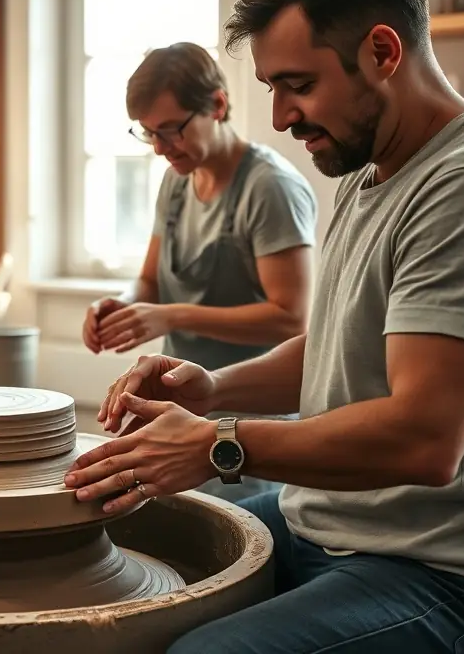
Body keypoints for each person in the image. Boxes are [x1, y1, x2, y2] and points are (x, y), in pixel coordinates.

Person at [64, 0, 464, 653]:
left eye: (297, 85)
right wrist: (209, 389)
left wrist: (221, 444)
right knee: (126, 564)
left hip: (443, 571)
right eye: (273, 87)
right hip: (335, 521)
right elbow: (334, 343)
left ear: (383, 52)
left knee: (196, 650)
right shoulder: (374, 173)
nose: (278, 117)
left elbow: (428, 436)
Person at [81, 42, 317, 503]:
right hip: (179, 414)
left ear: (218, 105)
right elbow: (148, 281)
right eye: (148, 134)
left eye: (171, 131)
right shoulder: (177, 179)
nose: (160, 150)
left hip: (249, 429)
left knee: (238, 553)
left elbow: (291, 318)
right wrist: (120, 304)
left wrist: (171, 316)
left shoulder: (270, 188)